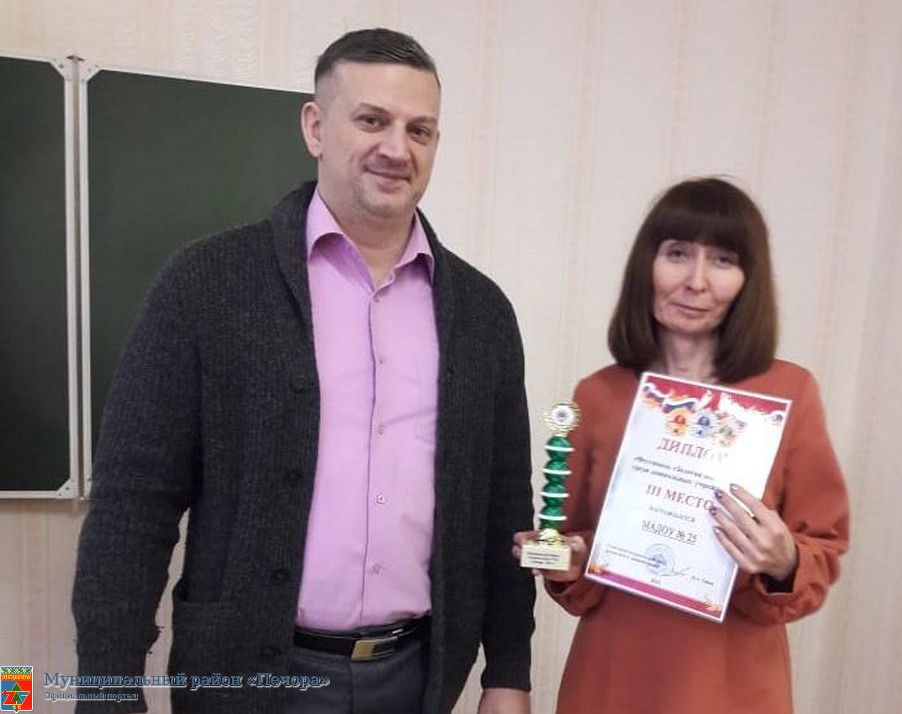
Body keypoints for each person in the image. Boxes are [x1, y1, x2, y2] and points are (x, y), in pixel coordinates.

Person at [73, 28, 535, 714]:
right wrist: (105, 692)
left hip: (417, 678)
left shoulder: (482, 314)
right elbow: (134, 502)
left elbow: (505, 506)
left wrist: (509, 672)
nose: (396, 149)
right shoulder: (207, 283)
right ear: (316, 127)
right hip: (244, 680)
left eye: (419, 130)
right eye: (371, 120)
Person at [513, 177, 849, 713]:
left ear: (748, 280)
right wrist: (570, 559)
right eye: (677, 254)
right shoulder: (598, 396)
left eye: (722, 260)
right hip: (613, 679)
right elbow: (577, 560)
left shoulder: (789, 394)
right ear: (647, 265)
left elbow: (822, 550)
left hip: (732, 685)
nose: (696, 281)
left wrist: (785, 559)